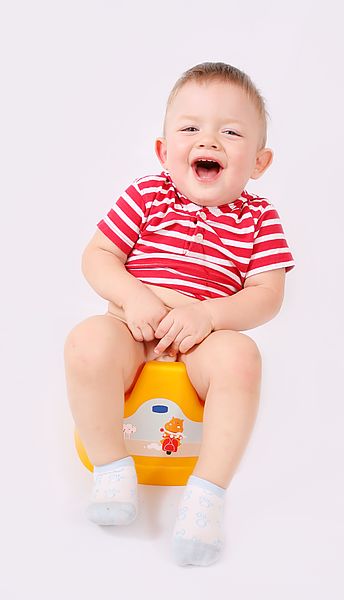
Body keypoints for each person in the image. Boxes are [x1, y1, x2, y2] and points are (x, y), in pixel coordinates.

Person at [64, 61, 295, 567]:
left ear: (259, 161)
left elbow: (267, 293)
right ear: (164, 151)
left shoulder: (259, 218)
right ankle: (110, 468)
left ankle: (205, 496)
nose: (208, 140)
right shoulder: (147, 194)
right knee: (87, 341)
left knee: (243, 358)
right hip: (134, 327)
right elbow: (97, 256)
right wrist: (134, 298)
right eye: (190, 129)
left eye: (231, 132)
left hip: (203, 339)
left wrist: (211, 316)